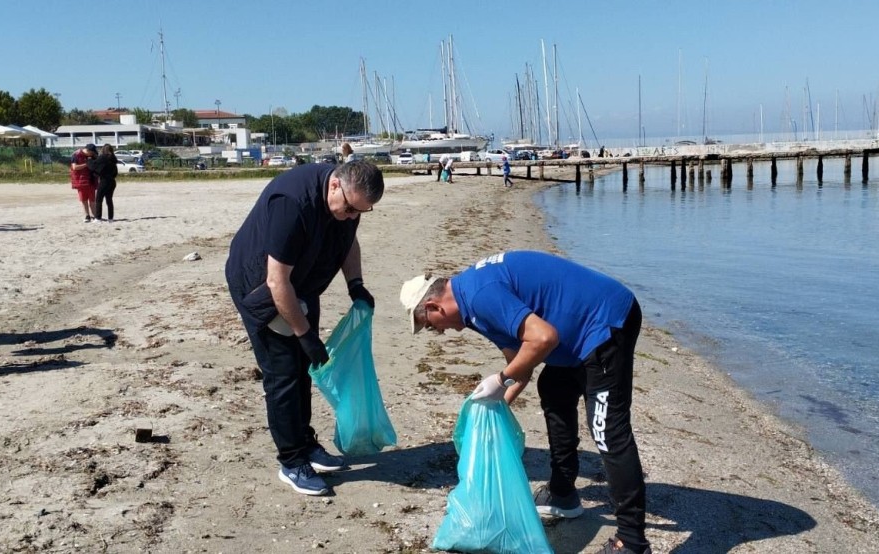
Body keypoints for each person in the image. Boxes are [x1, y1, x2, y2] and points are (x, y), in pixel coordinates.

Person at [401, 251, 651, 554]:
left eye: (430, 325)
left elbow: (543, 339)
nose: (438, 332)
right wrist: (495, 404)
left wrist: (501, 379)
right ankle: (562, 493)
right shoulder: (472, 311)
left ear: (433, 305)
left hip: (605, 321)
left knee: (606, 430)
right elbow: (520, 365)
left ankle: (632, 542)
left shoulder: (480, 296)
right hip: (573, 335)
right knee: (554, 389)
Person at [225, 160, 384, 497]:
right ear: (335, 185)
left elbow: (347, 243)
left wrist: (355, 284)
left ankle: (305, 442)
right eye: (350, 208)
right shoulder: (292, 204)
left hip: (302, 284)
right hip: (262, 289)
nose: (353, 216)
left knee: (305, 367)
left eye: (362, 212)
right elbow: (276, 281)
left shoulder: (346, 205)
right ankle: (292, 461)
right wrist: (304, 334)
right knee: (284, 373)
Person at [88, 144, 119, 221]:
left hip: (104, 181)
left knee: (99, 199)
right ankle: (110, 218)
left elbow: (93, 166)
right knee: (109, 200)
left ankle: (98, 218)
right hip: (112, 181)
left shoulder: (103, 157)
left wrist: (88, 160)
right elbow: (115, 172)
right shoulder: (113, 158)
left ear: (103, 150)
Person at [70, 143, 98, 222]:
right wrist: (86, 164)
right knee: (83, 199)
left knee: (92, 199)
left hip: (91, 180)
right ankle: (87, 216)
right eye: (92, 152)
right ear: (88, 150)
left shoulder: (92, 156)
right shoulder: (76, 155)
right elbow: (74, 167)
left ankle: (95, 216)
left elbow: (97, 161)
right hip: (80, 181)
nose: (92, 154)